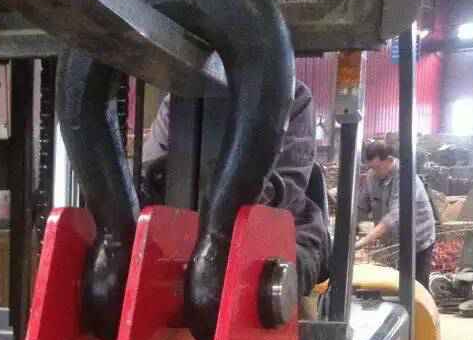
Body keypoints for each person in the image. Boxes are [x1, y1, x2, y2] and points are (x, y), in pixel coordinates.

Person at [140, 82, 331, 299]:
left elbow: (285, 190)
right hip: (186, 224)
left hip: (276, 225)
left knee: (272, 285)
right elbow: (150, 176)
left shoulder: (290, 94)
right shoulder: (182, 97)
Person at [356, 140, 436, 288]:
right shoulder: (372, 176)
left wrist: (364, 241)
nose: (374, 171)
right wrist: (352, 230)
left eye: (377, 167)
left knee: (417, 287)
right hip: (394, 242)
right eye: (371, 168)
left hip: (418, 239)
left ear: (389, 160)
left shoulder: (405, 177)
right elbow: (361, 207)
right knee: (395, 285)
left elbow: (394, 217)